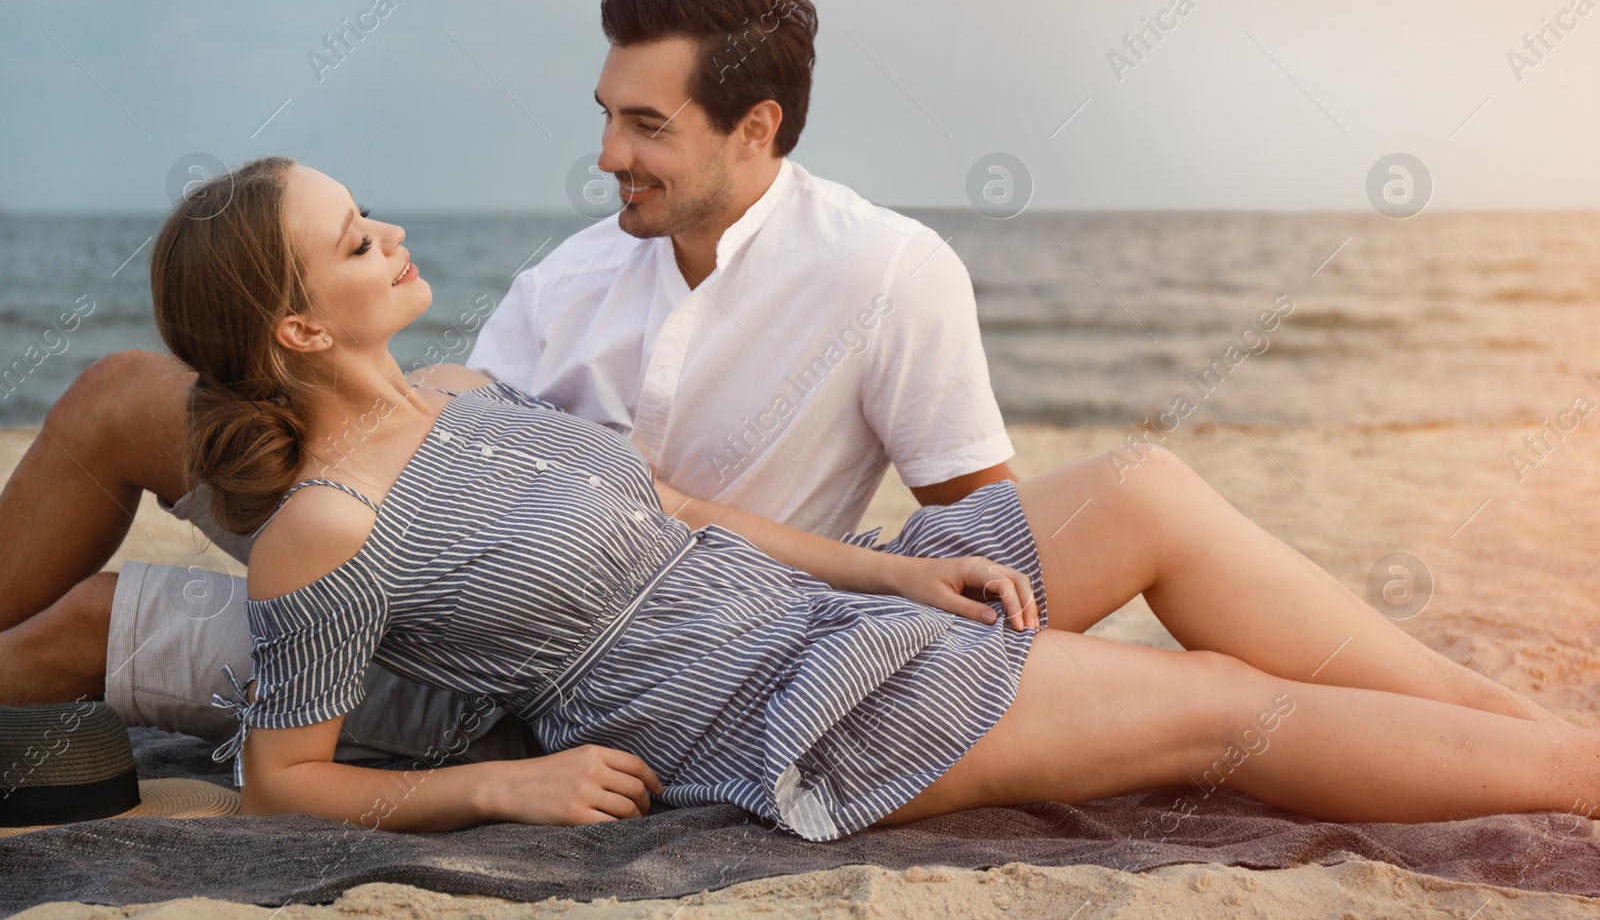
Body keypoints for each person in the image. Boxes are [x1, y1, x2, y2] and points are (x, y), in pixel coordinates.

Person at [166, 157, 1596, 839]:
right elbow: (284, 777)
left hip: (818, 595)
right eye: (358, 238)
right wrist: (510, 780)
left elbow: (675, 503)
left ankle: (1524, 727)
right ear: (298, 329)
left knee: (1146, 484)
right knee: (1221, 697)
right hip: (770, 700)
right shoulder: (327, 527)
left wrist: (897, 570)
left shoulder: (463, 390)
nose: (396, 231)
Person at [0, 0, 1014, 809]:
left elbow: (976, 532)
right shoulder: (571, 273)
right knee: (118, 389)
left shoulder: (883, 270)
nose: (608, 155)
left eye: (646, 125)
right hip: (445, 591)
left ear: (753, 126)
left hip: (618, 661)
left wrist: (896, 594)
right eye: (608, 117)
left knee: (93, 618)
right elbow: (434, 464)